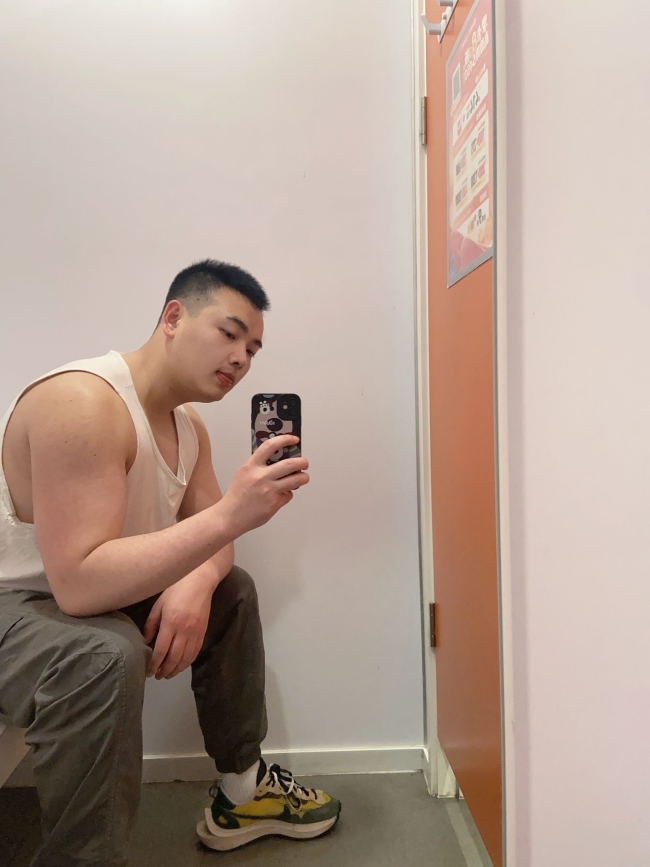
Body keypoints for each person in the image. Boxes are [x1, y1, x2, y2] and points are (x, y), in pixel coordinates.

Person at [0, 260, 341, 867]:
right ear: (174, 318)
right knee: (104, 652)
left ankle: (243, 794)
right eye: (230, 333)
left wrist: (198, 583)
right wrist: (230, 516)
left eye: (253, 349)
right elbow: (77, 586)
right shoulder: (81, 402)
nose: (240, 358)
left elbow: (215, 545)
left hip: (76, 594)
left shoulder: (188, 426)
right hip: (16, 604)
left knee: (232, 589)